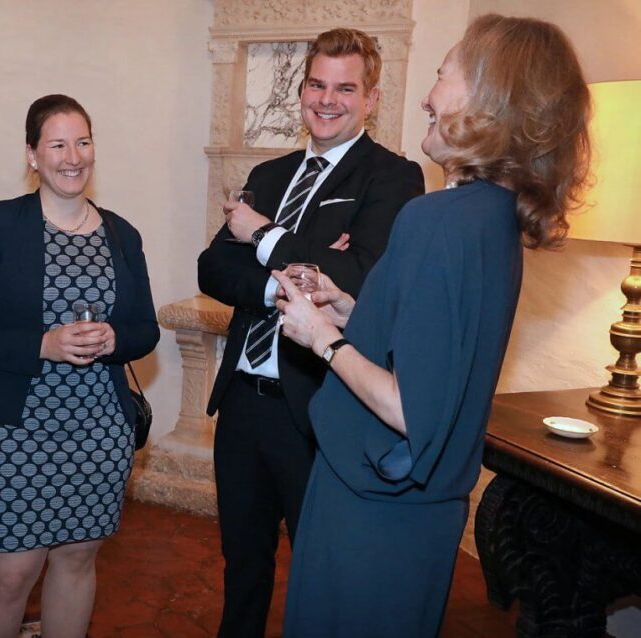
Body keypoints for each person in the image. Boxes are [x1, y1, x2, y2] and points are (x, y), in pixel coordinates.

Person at [273, 14, 591, 637]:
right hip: (419, 512)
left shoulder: (437, 219)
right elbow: (439, 352)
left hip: (370, 508)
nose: (426, 94)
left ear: (488, 97)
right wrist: (352, 310)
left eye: (443, 74)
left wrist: (322, 337)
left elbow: (412, 410)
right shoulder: (491, 218)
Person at [196, 28, 424, 637]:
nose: (327, 100)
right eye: (317, 84)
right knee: (242, 565)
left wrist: (262, 236)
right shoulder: (269, 174)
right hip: (243, 403)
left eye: (345, 88)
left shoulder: (395, 179)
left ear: (371, 98)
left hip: (318, 409)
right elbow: (212, 266)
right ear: (301, 90)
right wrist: (286, 279)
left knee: (322, 575)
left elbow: (360, 274)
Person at [0, 94, 159, 638]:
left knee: (77, 560)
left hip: (98, 431)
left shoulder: (121, 233)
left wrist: (114, 337)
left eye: (83, 142)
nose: (73, 156)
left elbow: (146, 329)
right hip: (11, 432)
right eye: (57, 144)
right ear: (33, 155)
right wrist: (42, 345)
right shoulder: (0, 223)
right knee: (10, 576)